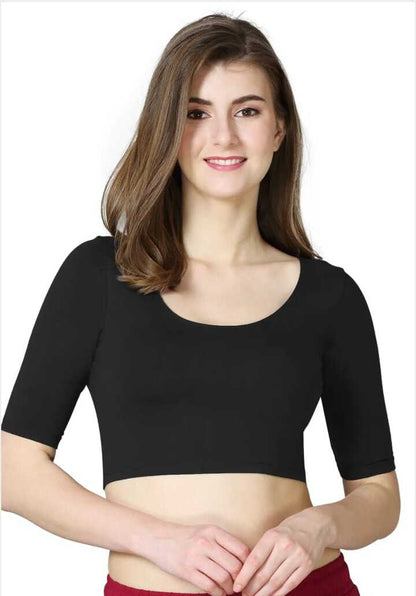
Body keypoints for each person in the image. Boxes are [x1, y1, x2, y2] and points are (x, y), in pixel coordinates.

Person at [1, 12, 400, 596]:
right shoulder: (99, 277)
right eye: (196, 113)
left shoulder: (330, 297)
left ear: (279, 129)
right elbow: (14, 473)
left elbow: (380, 497)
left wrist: (317, 527)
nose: (224, 137)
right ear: (168, 129)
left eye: (247, 111)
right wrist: (157, 540)